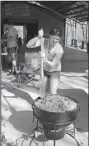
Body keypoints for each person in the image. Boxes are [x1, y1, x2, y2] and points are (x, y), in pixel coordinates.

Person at [26, 28, 64, 95]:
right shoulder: (44, 41)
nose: (55, 41)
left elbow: (52, 65)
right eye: (53, 38)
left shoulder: (59, 49)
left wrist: (43, 58)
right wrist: (38, 37)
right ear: (49, 36)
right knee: (43, 91)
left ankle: (53, 104)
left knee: (52, 92)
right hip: (44, 70)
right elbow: (28, 45)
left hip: (54, 71)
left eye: (57, 39)